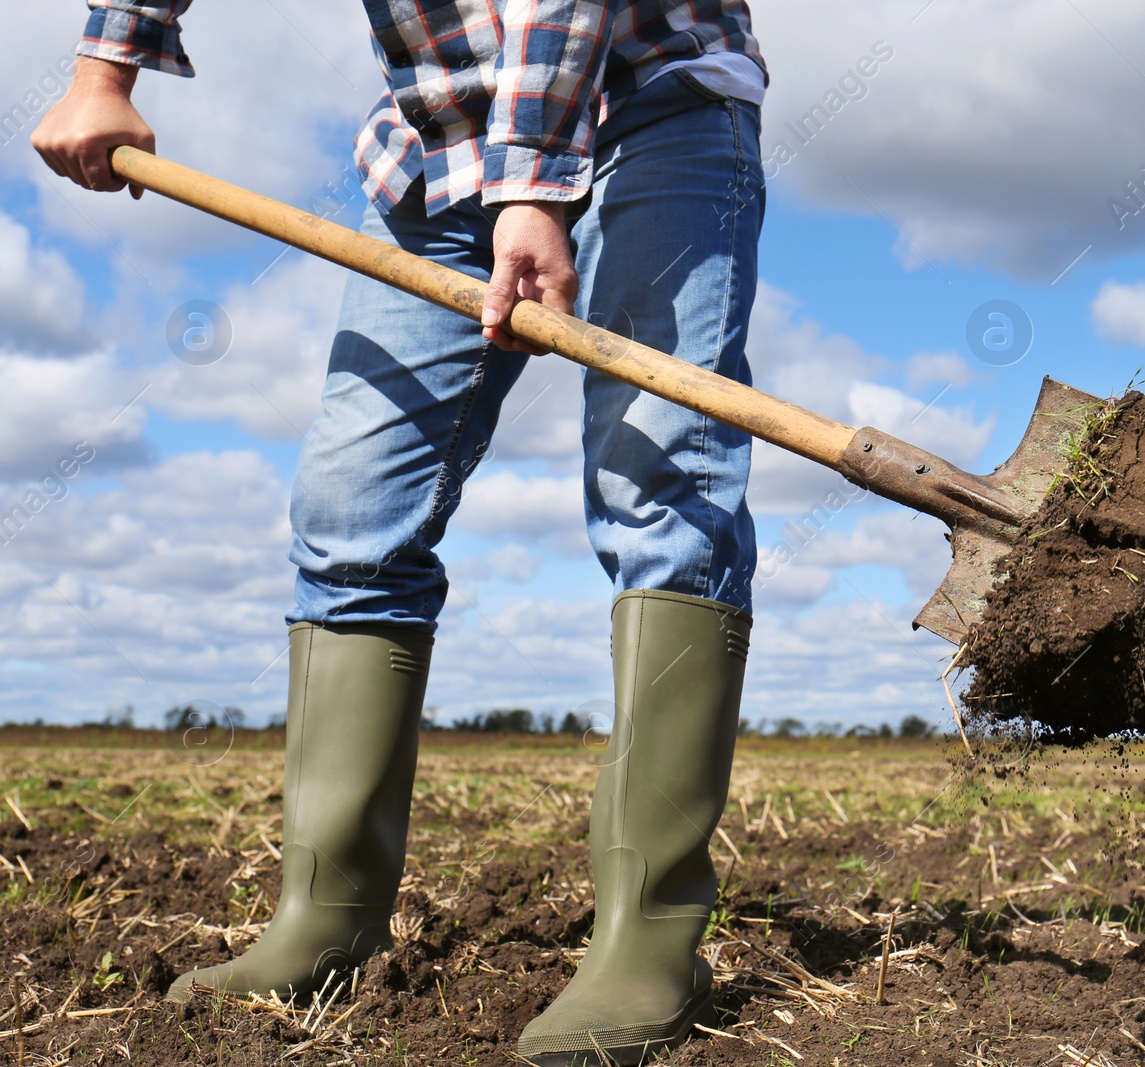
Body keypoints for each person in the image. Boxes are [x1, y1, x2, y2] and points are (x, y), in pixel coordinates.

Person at [33, 2, 766, 1063]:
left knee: (662, 488)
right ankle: (326, 913)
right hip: (442, 143)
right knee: (350, 512)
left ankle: (648, 936)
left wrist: (531, 185)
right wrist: (106, 66)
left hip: (652, 102)